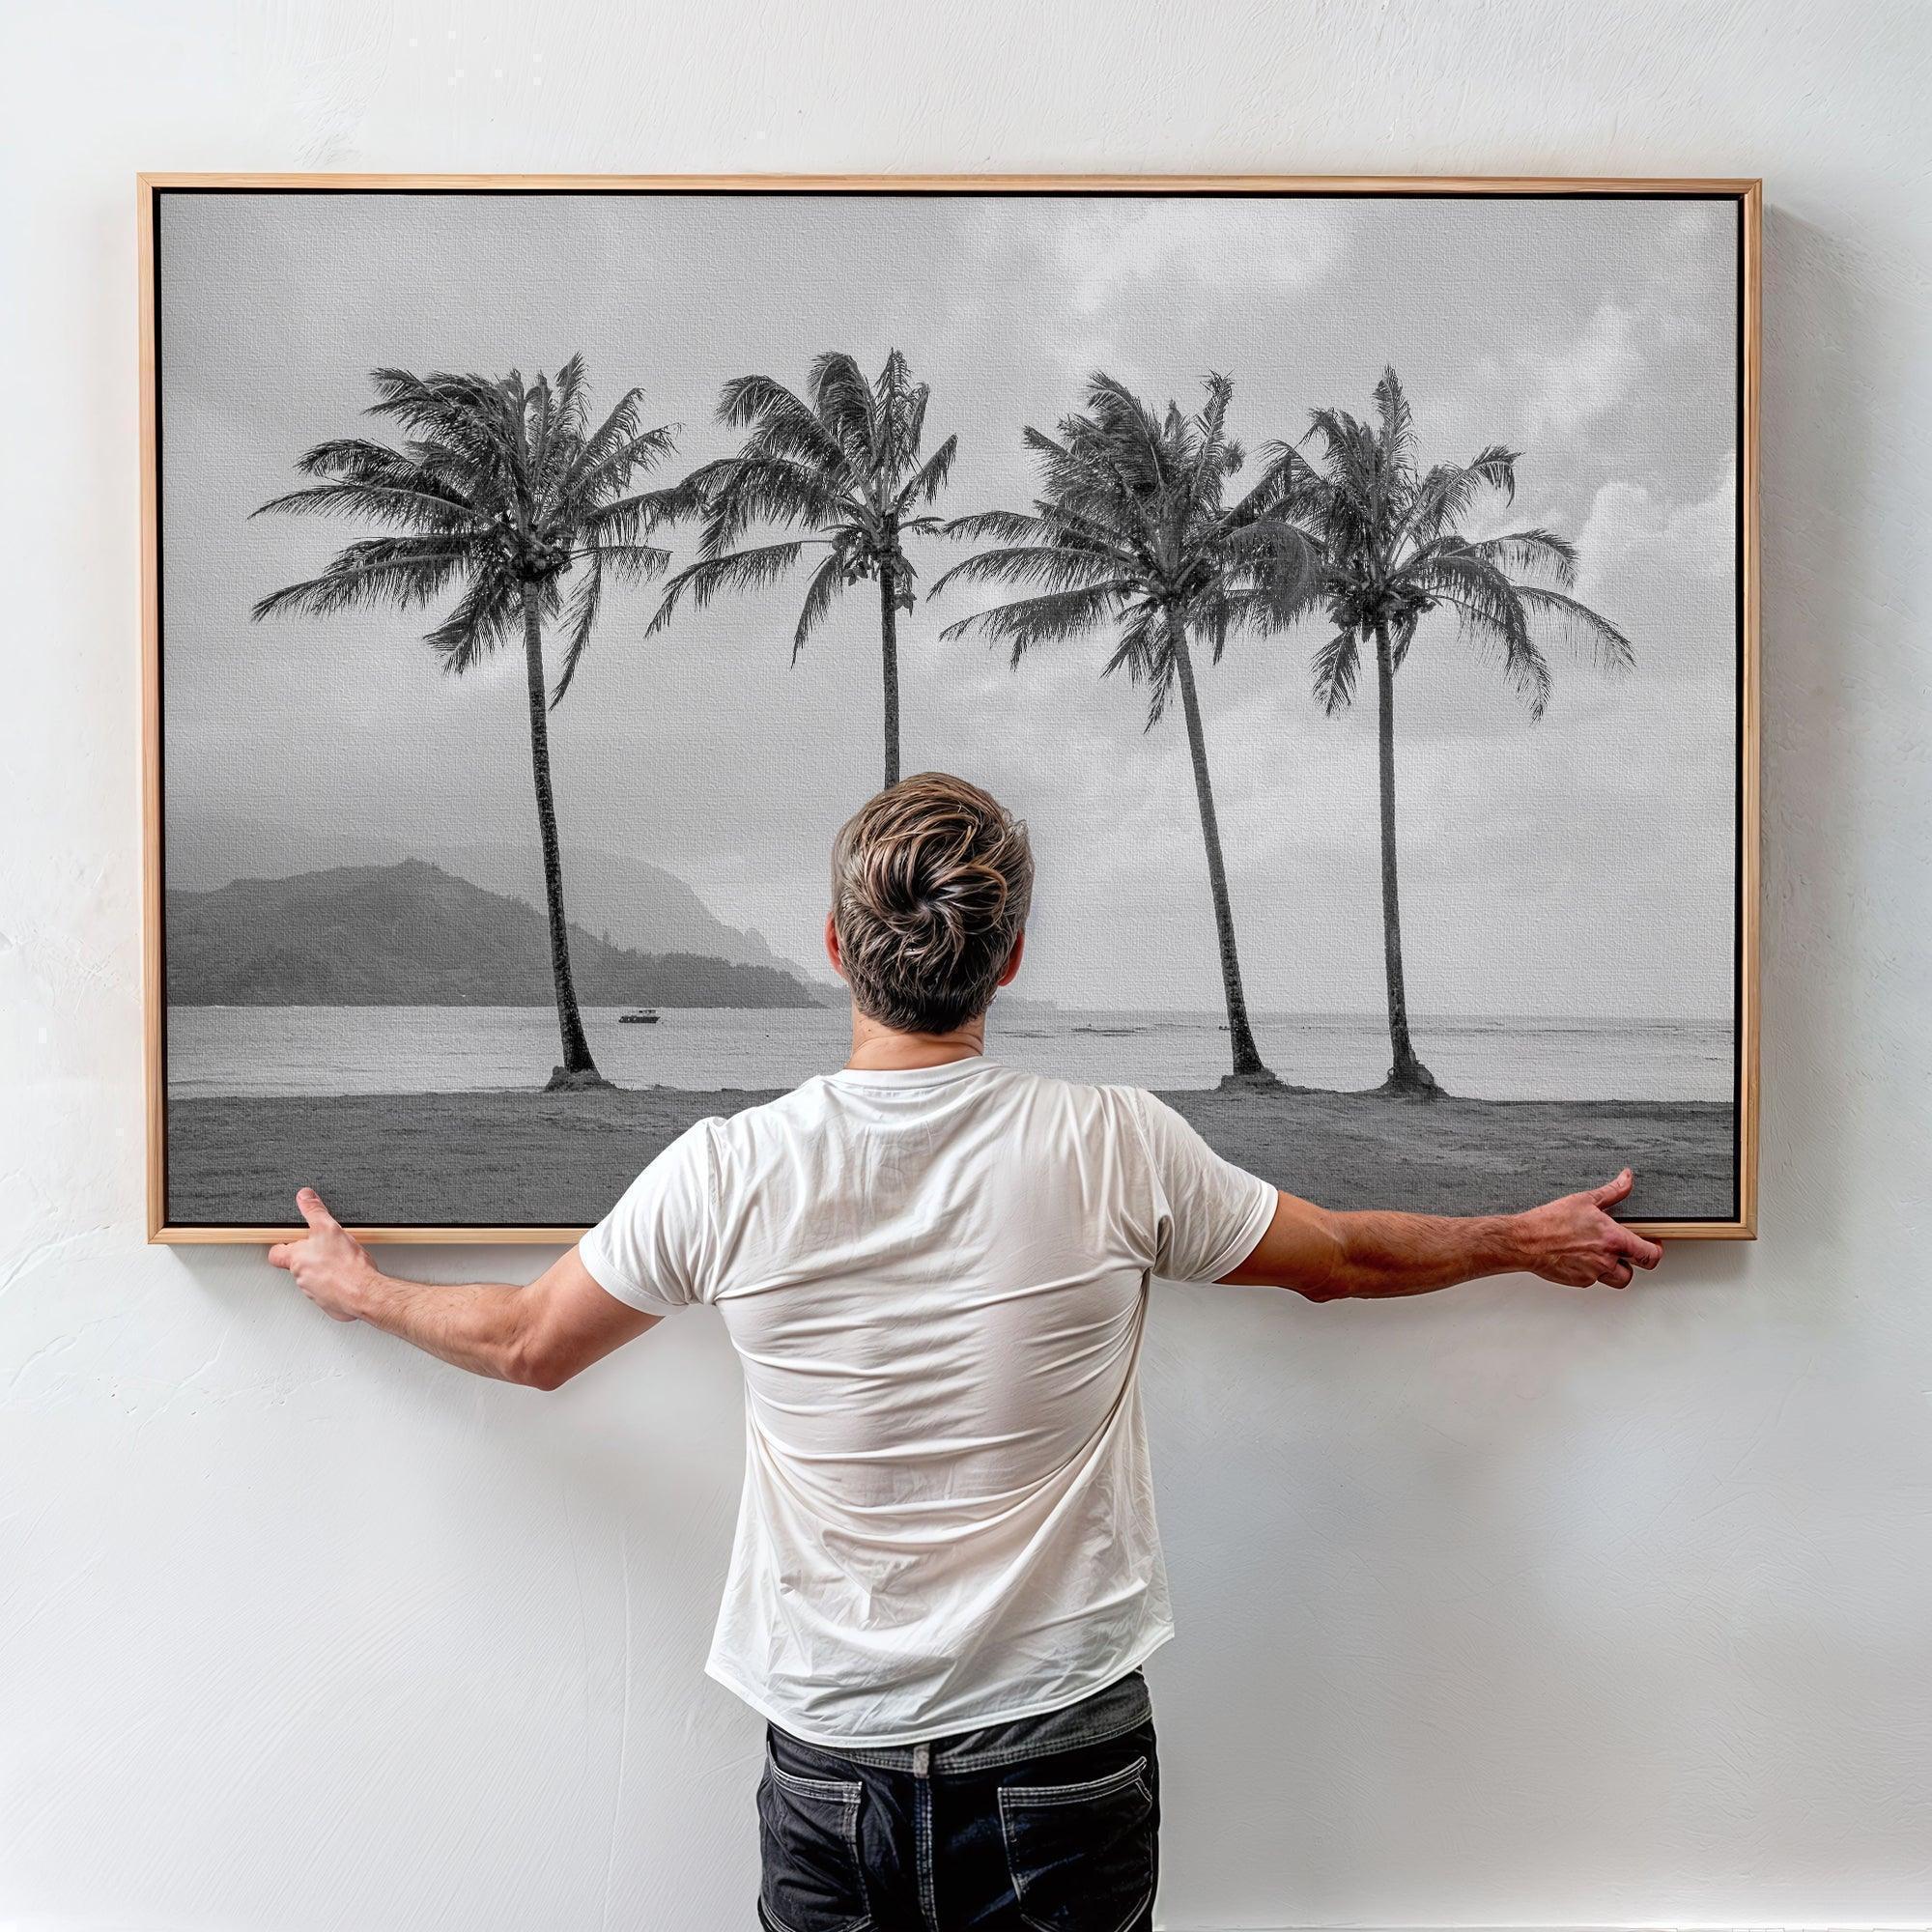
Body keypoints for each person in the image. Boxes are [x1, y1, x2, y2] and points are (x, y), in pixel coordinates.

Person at [270, 770, 1662, 1932]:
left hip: (832, 1768)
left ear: (832, 947)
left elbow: (525, 1344)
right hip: (1062, 1757)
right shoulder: (1112, 1141)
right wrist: (1521, 1236)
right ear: (1007, 955)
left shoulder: (730, 1167)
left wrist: (361, 1286)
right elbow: (1345, 1263)